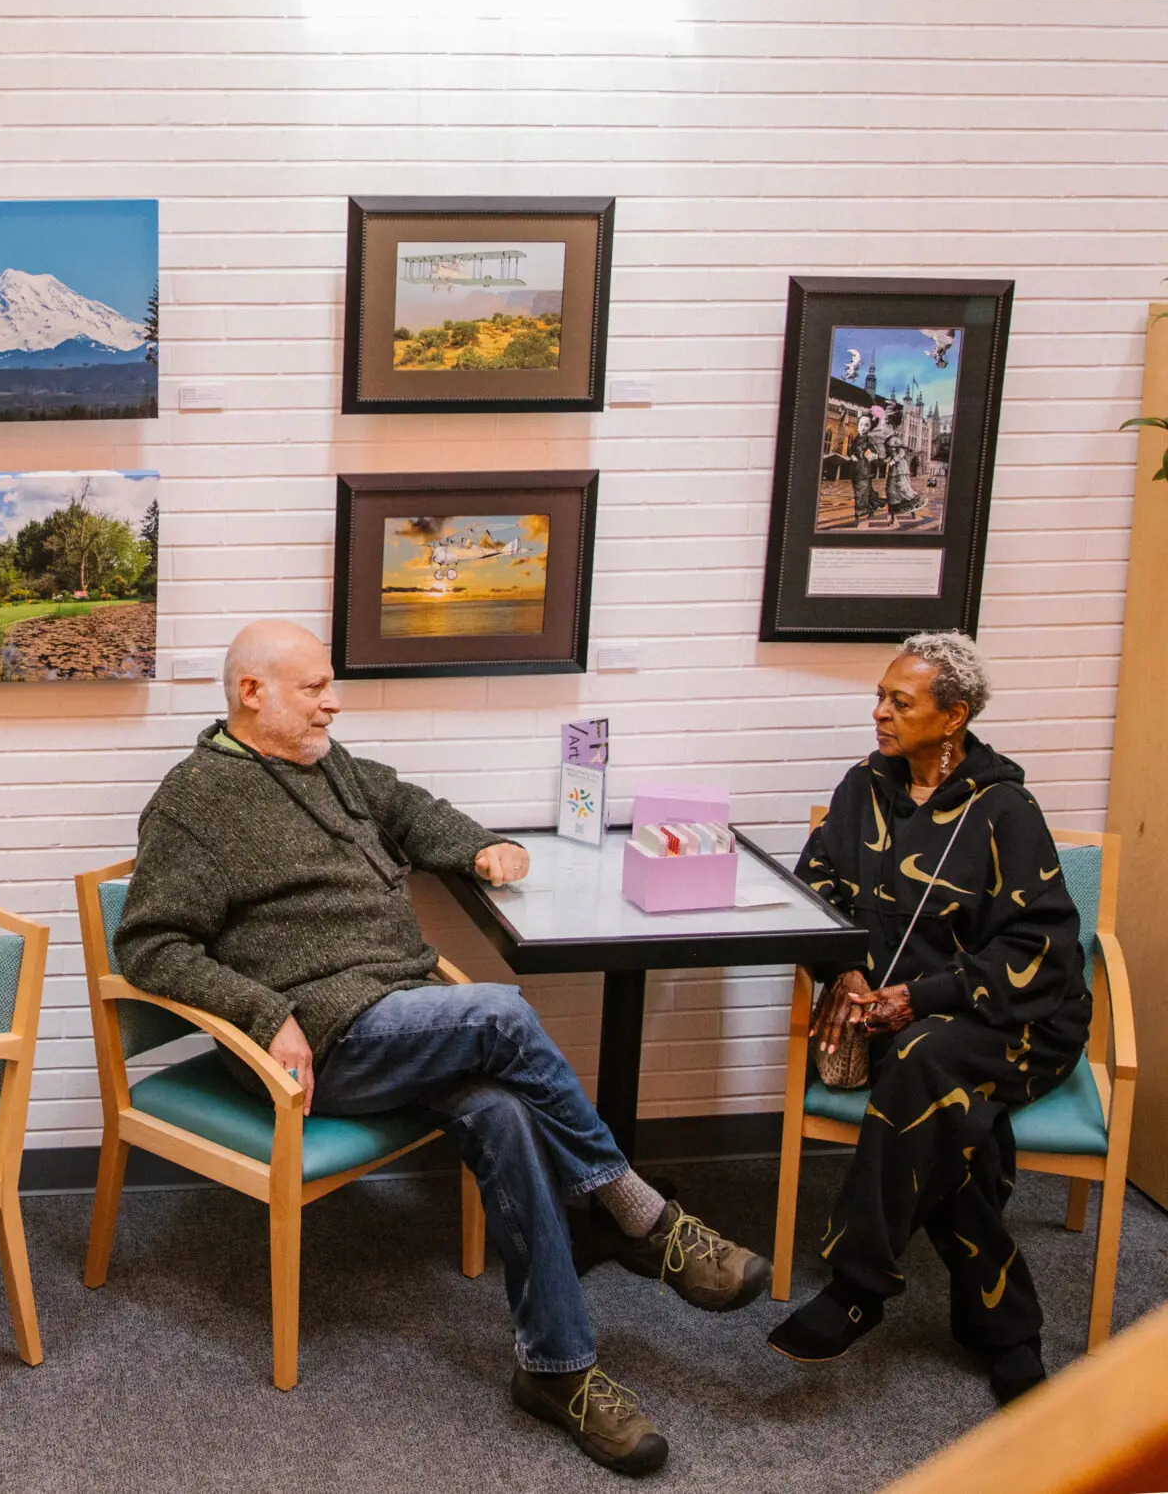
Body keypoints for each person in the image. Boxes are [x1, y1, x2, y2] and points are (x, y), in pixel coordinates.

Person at [115, 619, 769, 1478]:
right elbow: (151, 943)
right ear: (252, 693)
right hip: (322, 1040)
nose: (332, 701)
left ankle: (556, 1369)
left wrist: (477, 845)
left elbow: (410, 806)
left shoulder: (331, 766)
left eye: (329, 685)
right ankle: (641, 1215)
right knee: (500, 1013)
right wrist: (263, 1009)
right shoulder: (196, 800)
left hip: (402, 1011)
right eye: (314, 687)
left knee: (503, 1112)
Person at [772, 632, 1088, 1403]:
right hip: (893, 1021)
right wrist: (846, 972)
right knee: (952, 1116)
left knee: (923, 1067)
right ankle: (1008, 1329)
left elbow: (1042, 945)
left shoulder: (1003, 808)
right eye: (880, 696)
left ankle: (859, 1286)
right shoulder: (864, 787)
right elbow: (814, 892)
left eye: (899, 702)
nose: (878, 712)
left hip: (1012, 1019)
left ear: (953, 717)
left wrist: (921, 996)